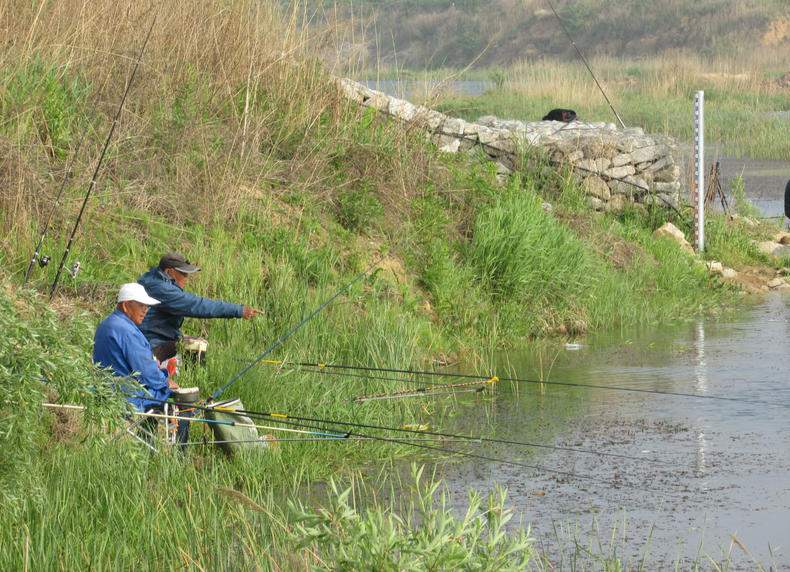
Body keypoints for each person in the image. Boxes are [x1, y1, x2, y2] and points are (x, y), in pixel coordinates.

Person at [137, 252, 259, 362]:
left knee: (194, 344)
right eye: (183, 273)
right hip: (150, 344)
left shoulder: (153, 279)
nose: (187, 277)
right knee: (196, 347)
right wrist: (238, 310)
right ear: (169, 272)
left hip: (152, 338)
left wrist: (180, 338)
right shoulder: (162, 290)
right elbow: (197, 305)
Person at [93, 283, 175, 412]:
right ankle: (177, 431)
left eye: (147, 306)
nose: (145, 310)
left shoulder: (106, 324)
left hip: (105, 392)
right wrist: (166, 382)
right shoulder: (127, 331)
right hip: (128, 398)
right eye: (141, 305)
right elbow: (147, 374)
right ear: (126, 306)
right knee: (180, 400)